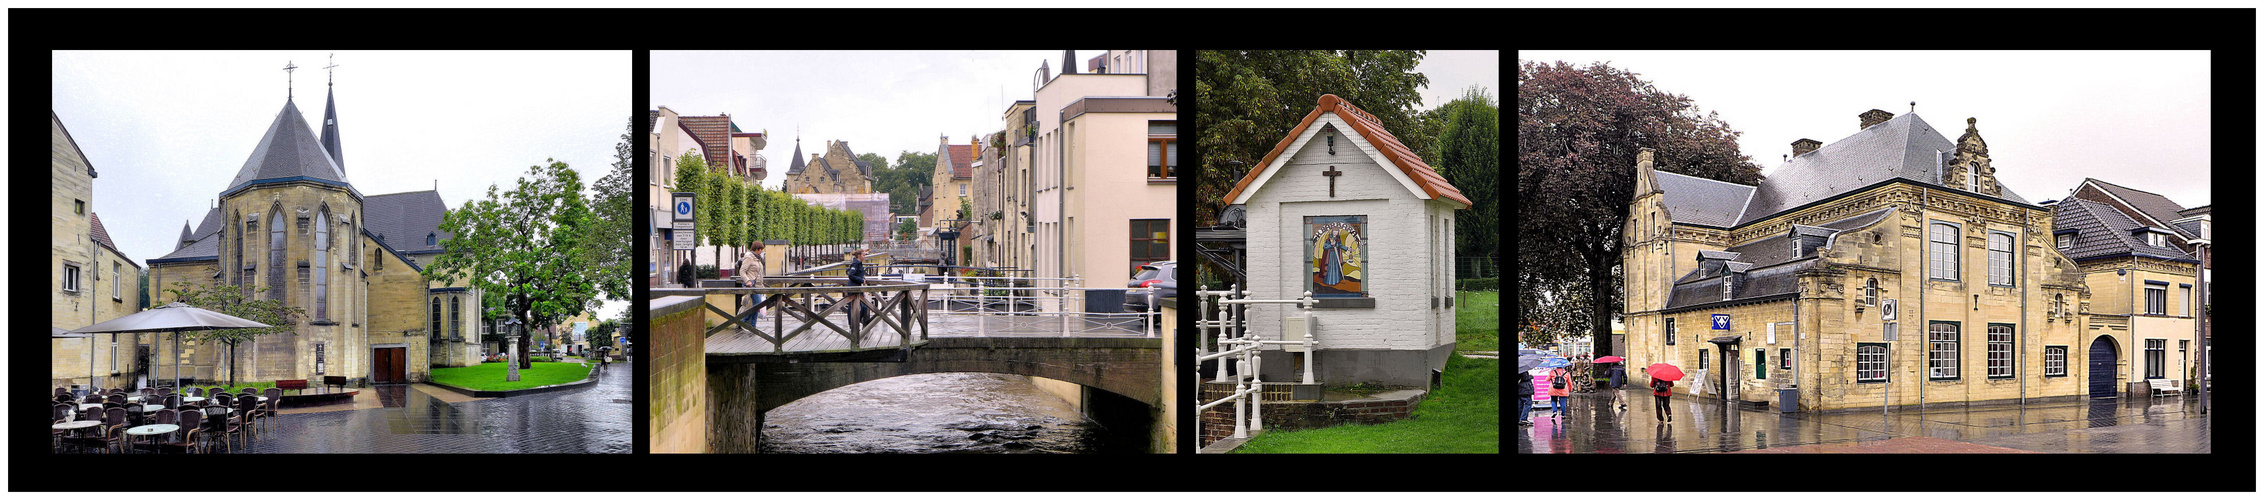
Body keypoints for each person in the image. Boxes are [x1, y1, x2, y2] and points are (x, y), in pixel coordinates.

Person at [737, 242, 767, 319]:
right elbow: (742, 271)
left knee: (757, 306)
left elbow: (759, 273)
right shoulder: (749, 258)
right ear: (756, 249)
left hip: (758, 285)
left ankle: (753, 326)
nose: (761, 251)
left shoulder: (758, 258)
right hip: (752, 285)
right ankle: (744, 321)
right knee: (758, 304)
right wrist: (747, 281)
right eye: (760, 249)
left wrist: (762, 285)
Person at [845, 248, 871, 325]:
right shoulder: (855, 264)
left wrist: (863, 278)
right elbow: (851, 275)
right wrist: (861, 280)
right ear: (859, 255)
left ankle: (856, 322)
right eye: (863, 255)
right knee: (852, 307)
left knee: (864, 307)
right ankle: (852, 325)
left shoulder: (859, 263)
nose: (864, 256)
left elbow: (859, 274)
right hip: (853, 288)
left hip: (858, 288)